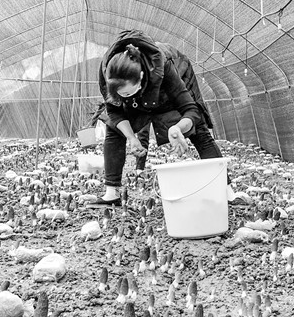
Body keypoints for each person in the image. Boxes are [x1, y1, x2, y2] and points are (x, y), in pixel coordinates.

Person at [94, 29, 224, 206]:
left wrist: (177, 128)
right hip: (140, 94)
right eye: (120, 94)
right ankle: (112, 193)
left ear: (141, 77)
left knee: (199, 129)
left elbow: (190, 109)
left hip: (173, 79)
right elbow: (114, 111)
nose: (124, 96)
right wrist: (131, 138)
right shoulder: (109, 73)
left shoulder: (166, 66)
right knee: (113, 128)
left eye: (127, 92)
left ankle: (225, 191)